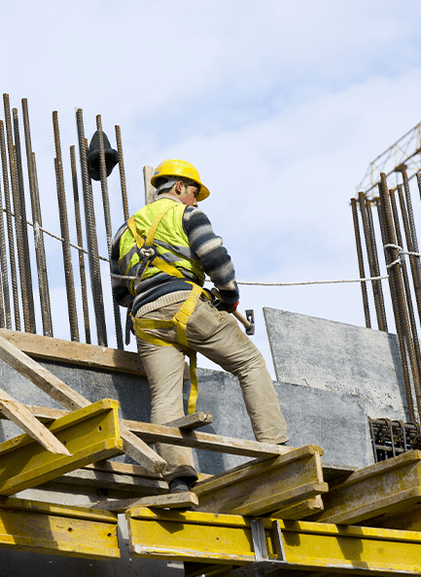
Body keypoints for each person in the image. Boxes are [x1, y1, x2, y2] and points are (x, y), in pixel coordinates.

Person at [110, 159, 288, 492]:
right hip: (187, 306)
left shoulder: (123, 231)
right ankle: (276, 446)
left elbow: (120, 293)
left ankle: (178, 476)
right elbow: (216, 258)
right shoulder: (187, 215)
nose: (195, 200)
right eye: (193, 193)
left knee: (164, 397)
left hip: (146, 319)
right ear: (178, 188)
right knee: (249, 363)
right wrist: (229, 297)